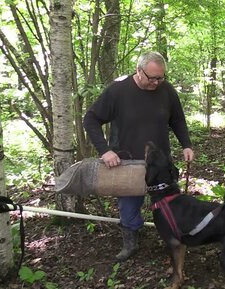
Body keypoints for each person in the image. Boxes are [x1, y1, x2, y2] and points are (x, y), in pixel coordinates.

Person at [83, 51, 194, 261]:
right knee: (129, 206)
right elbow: (91, 119)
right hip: (127, 162)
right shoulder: (118, 90)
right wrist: (105, 150)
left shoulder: (167, 90)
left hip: (160, 163)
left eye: (160, 78)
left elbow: (177, 120)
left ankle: (172, 239)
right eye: (151, 78)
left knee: (170, 204)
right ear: (138, 70)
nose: (156, 83)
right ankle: (131, 242)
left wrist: (186, 145)